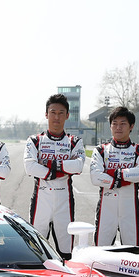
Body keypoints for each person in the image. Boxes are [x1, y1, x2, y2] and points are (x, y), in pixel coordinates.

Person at [23, 93, 85, 260]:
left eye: (60, 113)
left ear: (67, 115)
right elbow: (30, 166)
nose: (56, 117)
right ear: (46, 114)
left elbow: (78, 166)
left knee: (67, 253)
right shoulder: (35, 140)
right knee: (35, 251)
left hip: (64, 202)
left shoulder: (74, 141)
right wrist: (60, 169)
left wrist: (48, 164)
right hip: (41, 201)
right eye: (53, 112)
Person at [89, 106, 139, 246]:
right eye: (114, 123)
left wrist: (114, 173)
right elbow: (95, 177)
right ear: (110, 126)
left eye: (123, 123)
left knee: (132, 254)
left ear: (131, 126)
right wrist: (124, 178)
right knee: (100, 252)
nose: (118, 127)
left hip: (131, 209)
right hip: (106, 208)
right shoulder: (101, 150)